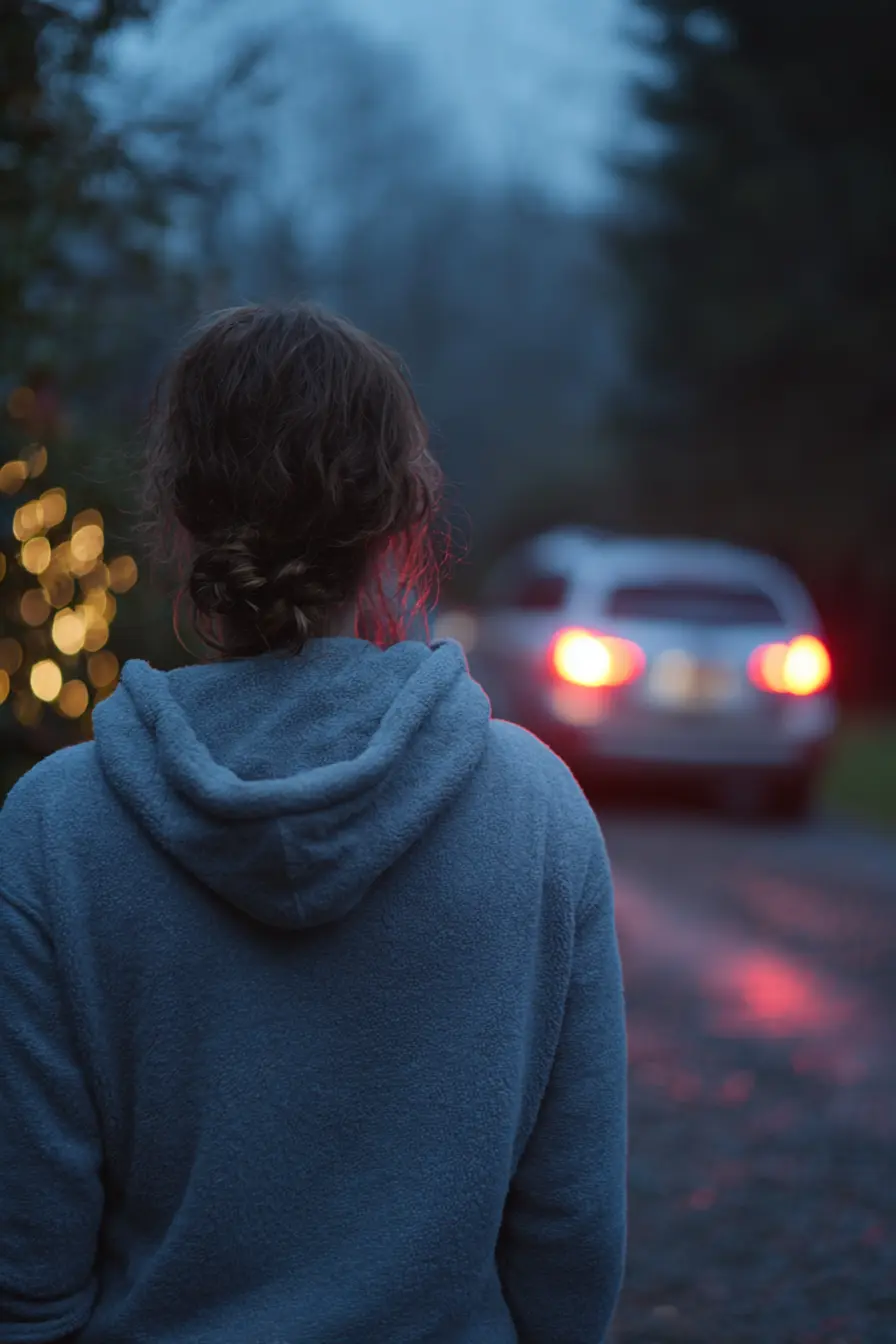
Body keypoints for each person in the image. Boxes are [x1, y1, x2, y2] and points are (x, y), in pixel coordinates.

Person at [0, 304, 626, 1343]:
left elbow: (27, 1270)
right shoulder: (534, 810)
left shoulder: (55, 830)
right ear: (399, 527)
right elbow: (568, 1238)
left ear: (181, 522)